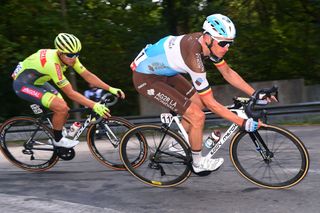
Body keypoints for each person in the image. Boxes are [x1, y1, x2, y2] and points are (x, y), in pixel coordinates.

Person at [130, 14, 277, 173]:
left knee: (198, 105)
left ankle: (178, 144)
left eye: (230, 43)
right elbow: (211, 104)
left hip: (166, 72)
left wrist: (256, 94)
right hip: (146, 78)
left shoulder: (209, 45)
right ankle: (198, 163)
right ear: (208, 37)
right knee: (197, 116)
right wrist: (242, 123)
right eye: (223, 43)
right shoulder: (194, 58)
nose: (226, 48)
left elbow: (227, 72)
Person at [12, 33, 125, 148]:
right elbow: (70, 93)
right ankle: (57, 139)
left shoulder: (70, 58)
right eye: (70, 55)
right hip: (23, 85)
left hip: (38, 82)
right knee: (61, 107)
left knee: (65, 109)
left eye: (77, 54)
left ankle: (56, 132)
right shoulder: (52, 64)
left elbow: (87, 75)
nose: (74, 58)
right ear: (60, 52)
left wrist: (111, 88)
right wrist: (94, 105)